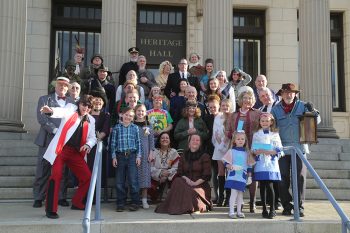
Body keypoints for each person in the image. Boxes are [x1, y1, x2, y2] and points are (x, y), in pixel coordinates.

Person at [40, 95, 97, 219]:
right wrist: (50, 111)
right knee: (56, 176)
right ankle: (51, 209)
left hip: (76, 153)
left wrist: (88, 144)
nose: (85, 108)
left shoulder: (91, 120)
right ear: (79, 103)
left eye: (88, 106)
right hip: (61, 149)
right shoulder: (71, 109)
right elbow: (61, 111)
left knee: (87, 177)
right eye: (83, 105)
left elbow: (93, 138)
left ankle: (77, 202)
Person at [271, 83, 320, 217]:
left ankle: (299, 206)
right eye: (286, 92)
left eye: (291, 92)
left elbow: (317, 120)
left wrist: (314, 111)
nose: (288, 95)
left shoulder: (303, 106)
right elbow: (271, 127)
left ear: (295, 94)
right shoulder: (275, 109)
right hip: (283, 149)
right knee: (282, 177)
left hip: (299, 148)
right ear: (281, 94)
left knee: (300, 177)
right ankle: (287, 205)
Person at [33, 77, 74, 209]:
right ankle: (39, 197)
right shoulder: (44, 99)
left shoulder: (71, 102)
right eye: (60, 84)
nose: (62, 87)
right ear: (55, 86)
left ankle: (61, 196)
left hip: (63, 141)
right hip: (47, 138)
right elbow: (42, 118)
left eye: (65, 85)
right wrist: (55, 129)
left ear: (68, 88)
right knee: (43, 168)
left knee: (62, 169)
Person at [155, 134, 212, 214]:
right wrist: (187, 179)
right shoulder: (183, 155)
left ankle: (188, 207)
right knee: (177, 181)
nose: (195, 141)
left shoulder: (205, 156)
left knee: (191, 190)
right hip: (186, 182)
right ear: (189, 143)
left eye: (197, 140)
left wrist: (195, 183)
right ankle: (178, 207)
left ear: (200, 143)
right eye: (193, 140)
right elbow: (180, 172)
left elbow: (207, 174)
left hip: (199, 184)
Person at [225, 86, 261, 213]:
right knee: (237, 174)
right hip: (237, 150)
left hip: (253, 149)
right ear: (240, 99)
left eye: (250, 98)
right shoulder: (234, 115)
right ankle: (235, 204)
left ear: (253, 100)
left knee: (252, 175)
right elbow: (228, 130)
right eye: (245, 98)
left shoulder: (257, 113)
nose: (247, 100)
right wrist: (233, 136)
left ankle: (252, 202)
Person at [251, 113, 283, 219]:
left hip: (270, 162)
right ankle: (264, 209)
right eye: (262, 121)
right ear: (260, 122)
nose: (264, 123)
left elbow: (279, 148)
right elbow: (253, 148)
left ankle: (272, 209)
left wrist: (269, 151)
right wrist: (256, 151)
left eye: (267, 121)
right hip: (260, 162)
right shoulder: (256, 134)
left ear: (271, 122)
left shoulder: (274, 134)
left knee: (270, 185)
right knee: (262, 186)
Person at [110, 107, 142, 212]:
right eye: (126, 114)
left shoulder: (135, 128)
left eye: (131, 116)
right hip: (120, 156)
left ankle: (135, 202)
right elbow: (113, 144)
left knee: (133, 180)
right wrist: (114, 157)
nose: (128, 117)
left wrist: (138, 156)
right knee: (119, 181)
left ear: (133, 118)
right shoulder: (116, 128)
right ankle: (120, 203)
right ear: (121, 115)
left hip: (132, 156)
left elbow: (138, 143)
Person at [222, 130, 255, 219]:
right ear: (234, 141)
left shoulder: (247, 153)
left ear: (245, 141)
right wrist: (230, 166)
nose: (240, 140)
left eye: (242, 139)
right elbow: (225, 162)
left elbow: (249, 166)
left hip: (242, 177)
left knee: (240, 194)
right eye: (238, 139)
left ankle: (239, 211)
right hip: (233, 176)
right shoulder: (231, 151)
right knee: (233, 193)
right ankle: (231, 211)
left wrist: (250, 176)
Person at [212, 99, 234, 207]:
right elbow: (215, 133)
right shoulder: (217, 117)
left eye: (227, 105)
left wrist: (226, 142)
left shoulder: (233, 117)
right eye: (223, 105)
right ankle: (221, 197)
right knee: (221, 171)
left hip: (230, 146)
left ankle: (229, 197)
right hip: (219, 147)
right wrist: (219, 144)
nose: (225, 107)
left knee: (229, 171)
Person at [134, 104, 155, 209]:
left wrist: (151, 152)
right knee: (134, 177)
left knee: (145, 177)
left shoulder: (149, 125)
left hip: (146, 153)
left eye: (142, 111)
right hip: (134, 154)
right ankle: (135, 199)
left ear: (146, 112)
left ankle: (144, 200)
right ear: (135, 112)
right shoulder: (132, 124)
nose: (140, 113)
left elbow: (151, 140)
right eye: (138, 111)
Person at [150, 132, 180, 202]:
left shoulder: (174, 152)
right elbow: (150, 167)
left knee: (177, 178)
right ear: (159, 140)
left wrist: (168, 173)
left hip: (169, 175)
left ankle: (172, 198)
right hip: (156, 176)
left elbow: (177, 167)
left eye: (167, 138)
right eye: (162, 138)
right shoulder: (154, 152)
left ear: (169, 140)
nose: (165, 139)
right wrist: (160, 173)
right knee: (149, 185)